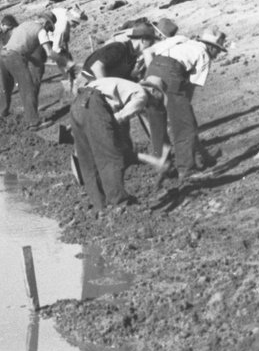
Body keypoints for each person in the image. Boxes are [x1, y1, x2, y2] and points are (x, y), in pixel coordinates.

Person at [136, 26, 230, 183]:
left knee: (157, 122)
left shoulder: (180, 40)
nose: (217, 54)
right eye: (218, 50)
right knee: (185, 125)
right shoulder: (204, 56)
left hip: (152, 70)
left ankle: (164, 166)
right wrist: (180, 112)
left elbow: (148, 52)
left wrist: (153, 79)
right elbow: (189, 91)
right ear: (211, 47)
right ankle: (187, 170)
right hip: (173, 73)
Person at [68, 75, 159, 211]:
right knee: (111, 156)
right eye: (158, 99)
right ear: (153, 91)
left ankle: (100, 207)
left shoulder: (126, 87)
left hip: (77, 104)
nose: (154, 104)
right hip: (93, 105)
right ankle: (120, 202)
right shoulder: (141, 94)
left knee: (89, 161)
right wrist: (108, 129)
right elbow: (120, 117)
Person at [80, 21, 159, 83]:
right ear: (143, 40)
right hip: (87, 81)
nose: (151, 46)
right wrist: (107, 89)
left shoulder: (131, 57)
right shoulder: (118, 48)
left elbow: (123, 79)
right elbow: (97, 67)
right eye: (151, 43)